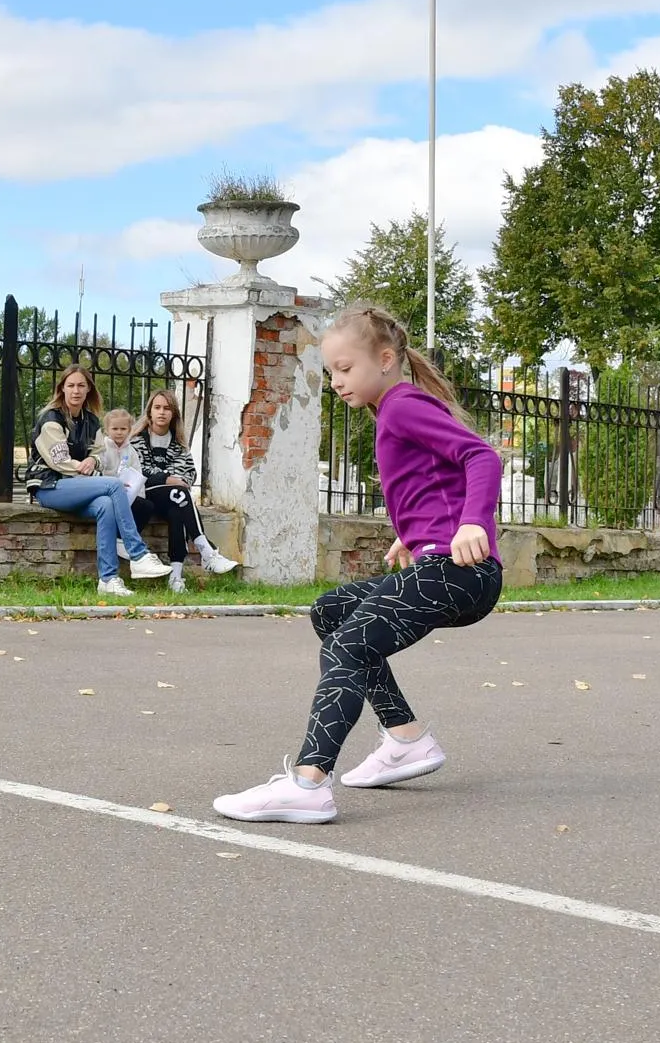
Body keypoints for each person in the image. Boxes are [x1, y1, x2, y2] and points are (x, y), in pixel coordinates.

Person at [212, 304, 502, 824]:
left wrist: (472, 524)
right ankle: (406, 737)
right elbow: (430, 482)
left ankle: (307, 783)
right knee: (330, 613)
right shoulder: (393, 408)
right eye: (331, 373)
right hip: (446, 566)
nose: (338, 382)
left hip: (458, 571)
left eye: (345, 369)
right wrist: (411, 534)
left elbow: (482, 457)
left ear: (386, 359)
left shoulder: (402, 404)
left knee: (348, 646)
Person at [23, 366, 172, 597]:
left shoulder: (91, 421)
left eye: (81, 385)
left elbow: (100, 453)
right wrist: (83, 466)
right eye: (71, 385)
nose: (76, 391)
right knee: (112, 485)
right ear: (62, 388)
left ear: (89, 389)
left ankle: (108, 580)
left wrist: (92, 460)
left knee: (106, 505)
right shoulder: (50, 419)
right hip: (50, 486)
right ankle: (138, 554)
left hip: (79, 486)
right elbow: (59, 461)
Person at [129, 388, 238, 589]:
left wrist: (169, 479)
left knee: (178, 508)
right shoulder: (136, 440)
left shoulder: (179, 445)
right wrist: (168, 478)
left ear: (174, 414)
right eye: (157, 407)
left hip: (172, 498)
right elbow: (140, 472)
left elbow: (188, 474)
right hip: (146, 496)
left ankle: (176, 578)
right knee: (180, 493)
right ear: (150, 412)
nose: (162, 412)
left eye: (167, 408)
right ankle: (207, 551)